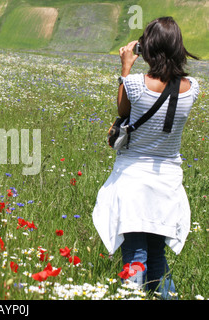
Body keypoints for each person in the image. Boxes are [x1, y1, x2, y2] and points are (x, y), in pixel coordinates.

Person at [92, 17, 200, 299]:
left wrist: (126, 67)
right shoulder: (192, 89)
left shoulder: (136, 84)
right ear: (179, 47)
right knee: (156, 256)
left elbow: (123, 109)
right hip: (167, 184)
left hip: (133, 182)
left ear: (147, 48)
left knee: (135, 254)